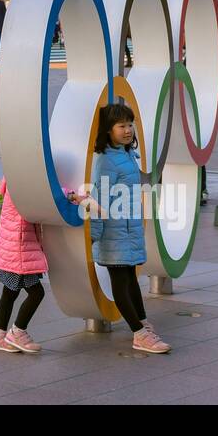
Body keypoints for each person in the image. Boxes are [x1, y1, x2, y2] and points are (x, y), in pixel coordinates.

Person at [72, 103, 170, 353]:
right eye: (121, 126)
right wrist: (95, 235)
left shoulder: (127, 155)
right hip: (115, 231)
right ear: (108, 130)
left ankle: (142, 323)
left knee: (129, 278)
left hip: (128, 228)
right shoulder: (106, 161)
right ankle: (138, 333)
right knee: (120, 278)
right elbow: (99, 200)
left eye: (130, 124)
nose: (128, 130)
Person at [0, 177, 46, 353]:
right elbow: (39, 207)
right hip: (19, 249)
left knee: (9, 292)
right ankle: (17, 332)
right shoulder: (21, 187)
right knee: (37, 293)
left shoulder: (13, 180)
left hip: (9, 248)